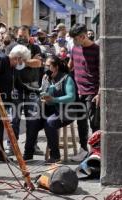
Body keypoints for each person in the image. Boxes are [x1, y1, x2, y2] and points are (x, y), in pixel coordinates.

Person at [0, 44, 31, 162]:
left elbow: (18, 84)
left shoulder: (12, 67)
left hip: (1, 102)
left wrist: (34, 91)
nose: (23, 63)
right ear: (17, 58)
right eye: (22, 60)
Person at [24, 55, 76, 163]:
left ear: (55, 67)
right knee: (32, 121)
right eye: (44, 65)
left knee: (50, 122)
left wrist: (54, 99)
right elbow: (42, 91)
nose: (45, 67)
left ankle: (55, 155)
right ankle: (28, 154)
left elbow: (71, 97)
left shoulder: (66, 78)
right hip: (48, 110)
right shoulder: (45, 77)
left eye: (48, 65)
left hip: (66, 111)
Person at [5, 25, 44, 156]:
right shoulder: (11, 47)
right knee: (14, 119)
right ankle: (12, 147)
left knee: (32, 119)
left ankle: (31, 147)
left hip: (32, 87)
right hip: (15, 88)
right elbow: (8, 62)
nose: (21, 38)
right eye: (20, 36)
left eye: (24, 35)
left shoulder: (35, 47)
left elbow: (38, 63)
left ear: (29, 35)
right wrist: (28, 61)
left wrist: (23, 62)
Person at [68, 24, 100, 162]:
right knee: (81, 122)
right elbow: (70, 65)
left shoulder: (97, 50)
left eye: (75, 39)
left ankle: (96, 152)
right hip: (78, 91)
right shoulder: (75, 48)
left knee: (94, 123)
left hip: (92, 92)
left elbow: (101, 73)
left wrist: (99, 93)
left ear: (83, 36)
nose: (74, 42)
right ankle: (83, 150)